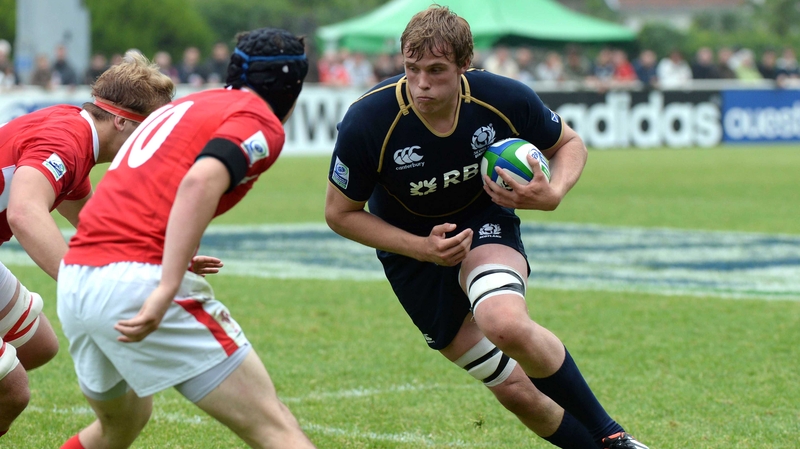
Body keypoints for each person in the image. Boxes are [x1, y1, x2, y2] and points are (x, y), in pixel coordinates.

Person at [325, 6, 649, 449]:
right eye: (411, 68)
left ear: (464, 66)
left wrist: (553, 193)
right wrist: (420, 248)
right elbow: (339, 213)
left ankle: (611, 436)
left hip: (483, 222)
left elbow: (569, 143)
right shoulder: (368, 121)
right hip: (410, 254)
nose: (421, 84)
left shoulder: (502, 98)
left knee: (504, 322)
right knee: (517, 392)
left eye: (437, 70)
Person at [57, 27, 315, 449]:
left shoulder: (192, 104)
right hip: (136, 281)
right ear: (293, 87)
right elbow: (198, 182)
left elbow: (150, 188)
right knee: (275, 428)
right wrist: (166, 286)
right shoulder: (259, 120)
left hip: (78, 279)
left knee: (118, 427)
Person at [0, 51, 174, 439]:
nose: (158, 143)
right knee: (10, 391)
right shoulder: (67, 139)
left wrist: (165, 255)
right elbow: (25, 213)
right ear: (121, 121)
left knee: (38, 346)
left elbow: (97, 228)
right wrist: (86, 288)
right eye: (154, 129)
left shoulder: (78, 136)